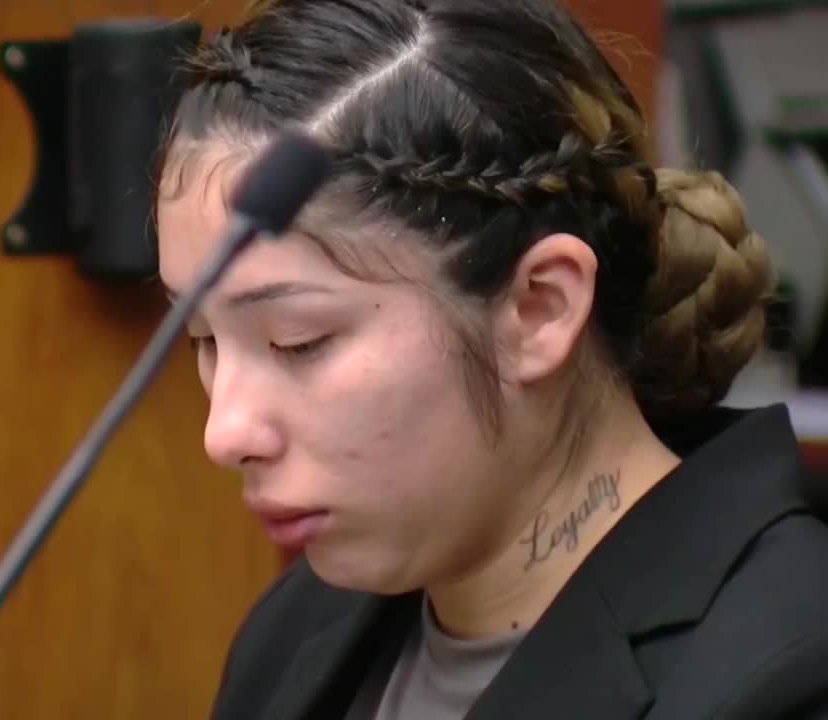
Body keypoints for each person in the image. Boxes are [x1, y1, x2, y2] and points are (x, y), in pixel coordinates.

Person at [152, 0, 828, 718]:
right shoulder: (295, 631)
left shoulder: (785, 673)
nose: (225, 434)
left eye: (299, 340)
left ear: (541, 307)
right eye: (202, 339)